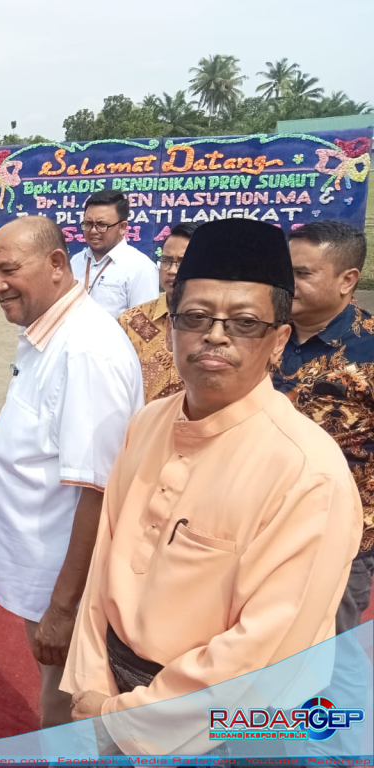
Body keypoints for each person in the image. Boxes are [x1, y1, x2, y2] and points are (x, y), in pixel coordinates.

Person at [61, 219, 362, 754]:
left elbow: (261, 655)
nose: (215, 334)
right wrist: (90, 682)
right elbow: (103, 563)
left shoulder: (307, 471)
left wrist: (120, 718)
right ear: (172, 326)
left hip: (220, 731)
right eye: (195, 317)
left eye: (244, 322)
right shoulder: (149, 423)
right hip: (108, 685)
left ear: (279, 339)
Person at [0, 216, 143, 729]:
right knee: (60, 695)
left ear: (57, 265)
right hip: (43, 574)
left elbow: (99, 489)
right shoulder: (50, 332)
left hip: (65, 586)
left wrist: (63, 610)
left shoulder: (85, 349)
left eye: (9, 270)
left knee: (72, 710)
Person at [274, 220, 374, 631]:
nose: (288, 282)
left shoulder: (368, 346)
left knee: (329, 663)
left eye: (302, 274)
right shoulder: (263, 333)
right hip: (258, 526)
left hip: (338, 538)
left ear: (347, 279)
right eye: (286, 270)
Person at [117, 223, 198, 403]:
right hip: (143, 426)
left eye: (182, 262)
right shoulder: (131, 321)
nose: (172, 271)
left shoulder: (216, 325)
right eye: (167, 261)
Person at [68, 190, 158, 319]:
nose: (93, 231)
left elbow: (144, 325)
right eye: (88, 224)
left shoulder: (140, 267)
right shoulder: (75, 262)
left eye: (101, 225)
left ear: (122, 227)